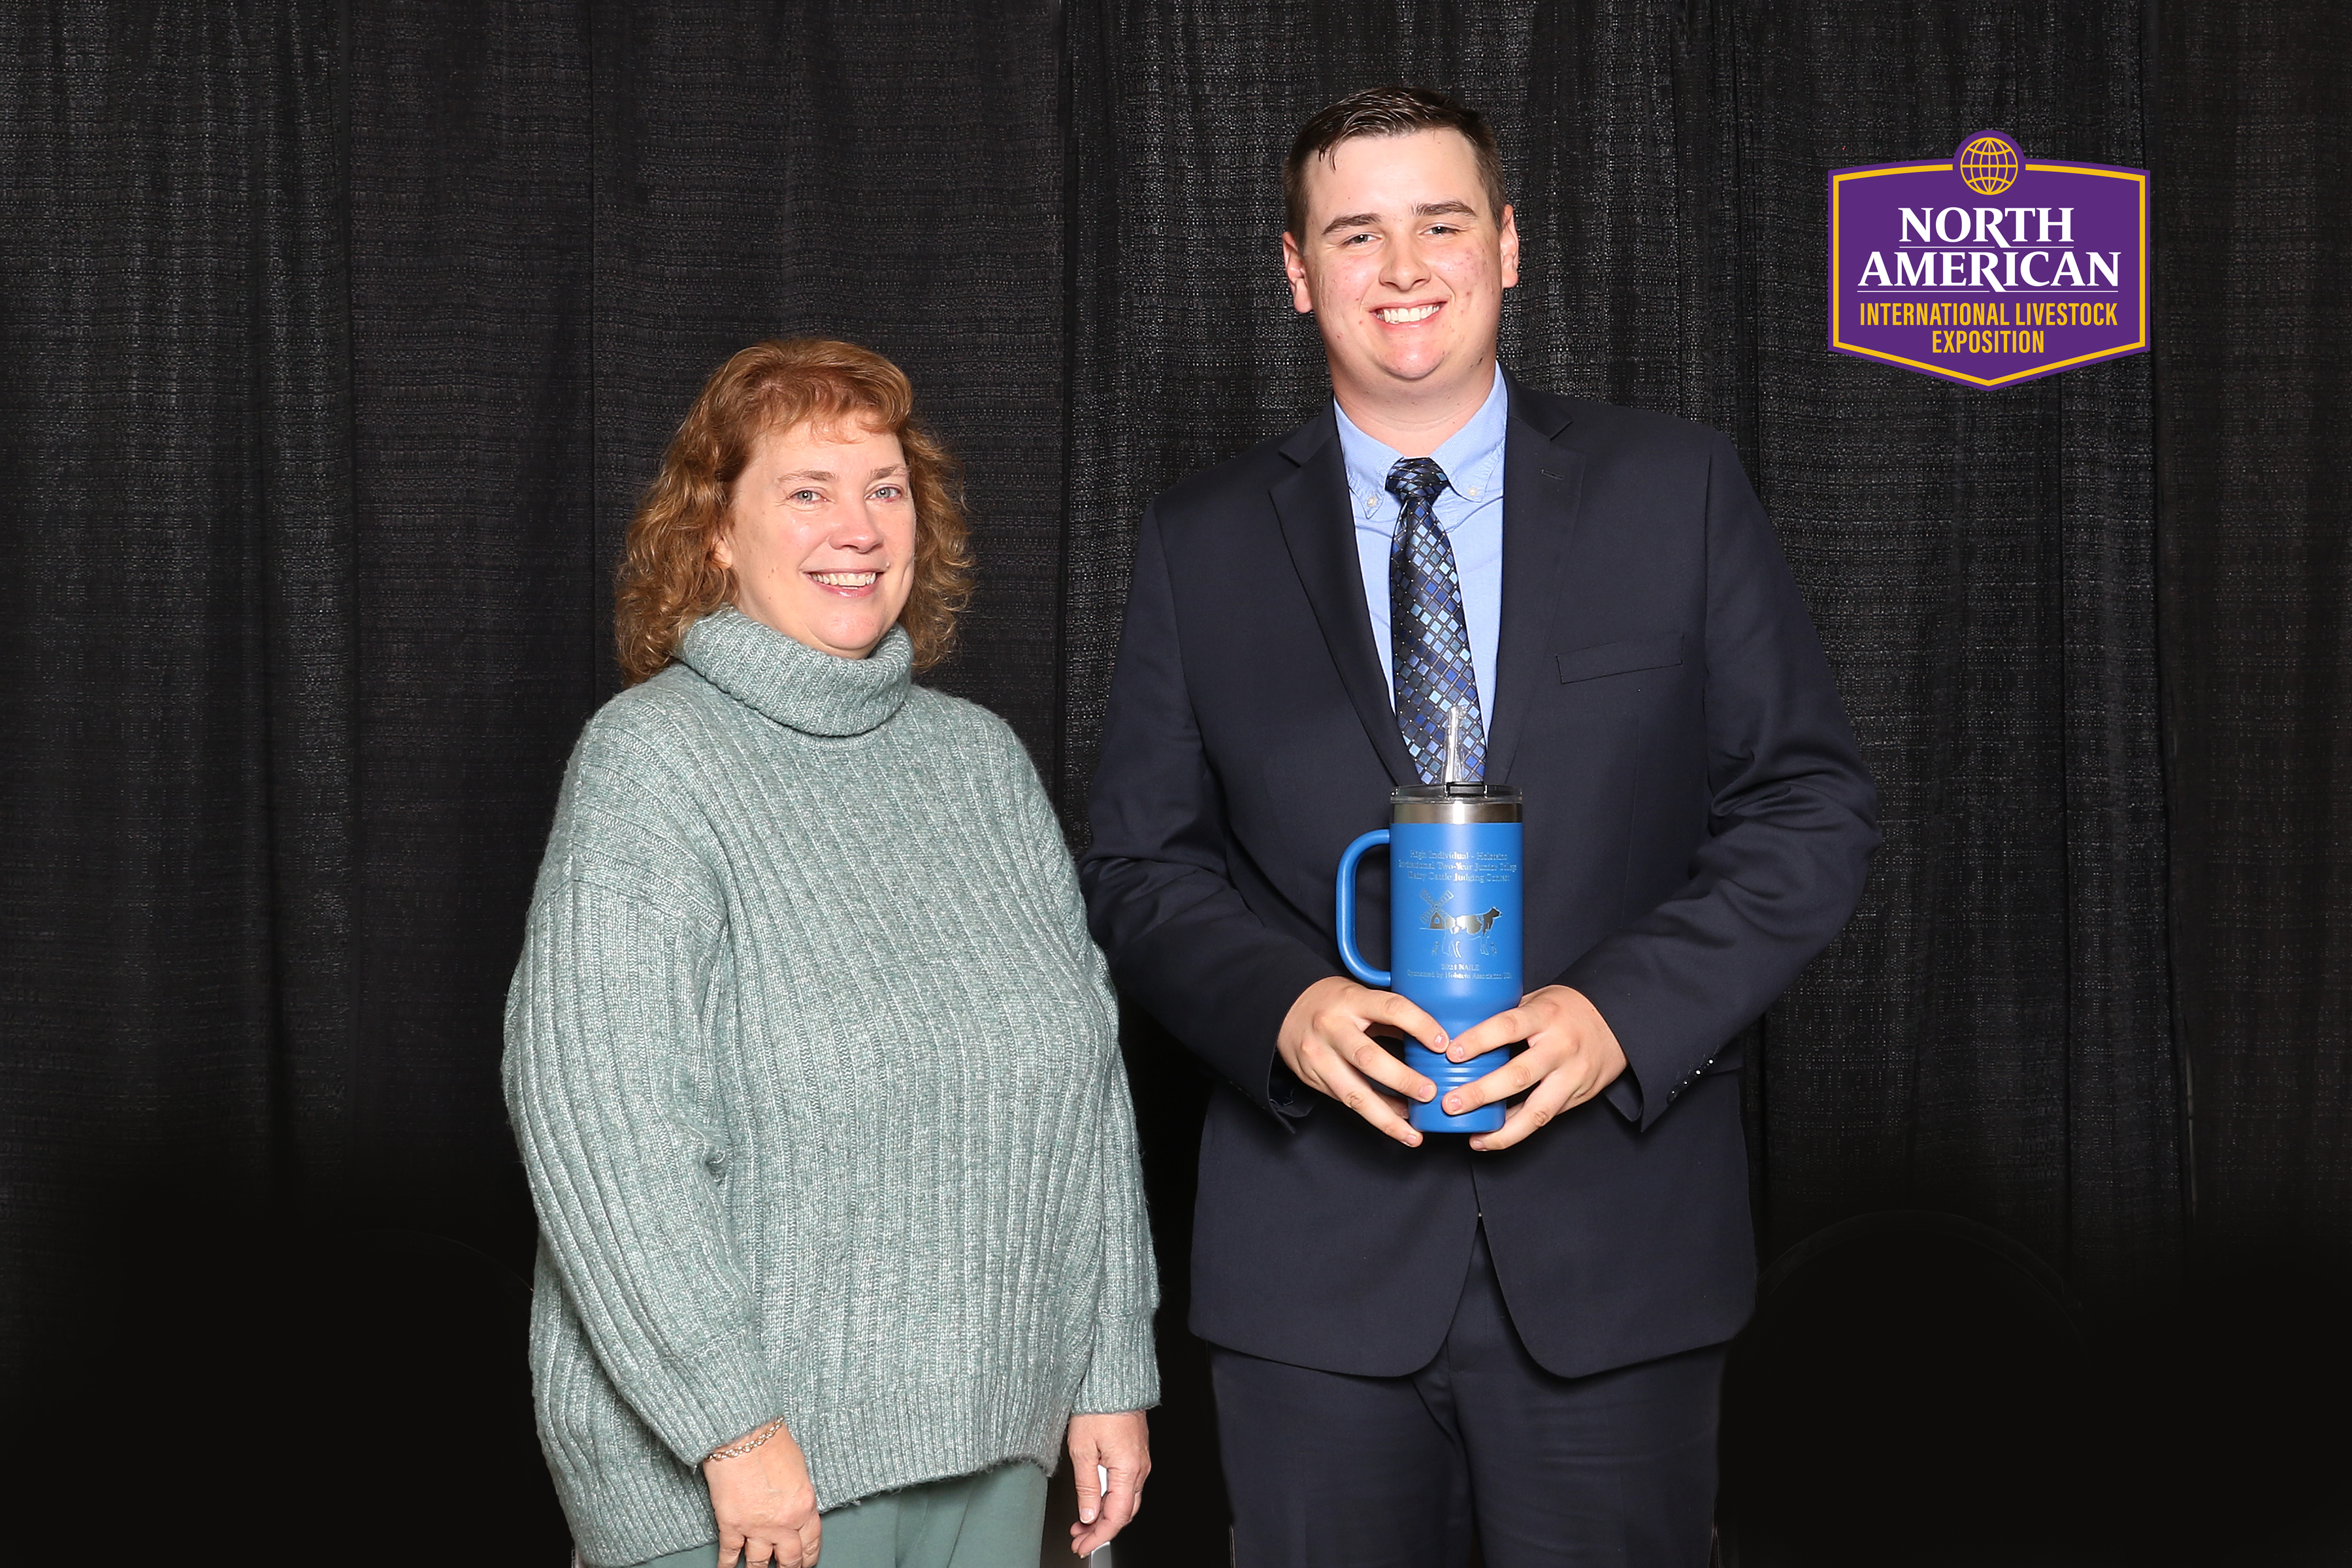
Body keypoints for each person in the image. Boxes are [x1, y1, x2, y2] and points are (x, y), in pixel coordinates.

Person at [1079, 88, 1878, 1567]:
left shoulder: (1677, 489)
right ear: (1295, 271)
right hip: (1310, 1280)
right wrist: (1285, 1010)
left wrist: (1620, 1017)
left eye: (1441, 224)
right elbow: (1138, 863)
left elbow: (1807, 809)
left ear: (1507, 247)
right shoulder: (1198, 543)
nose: (1403, 266)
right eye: (1355, 231)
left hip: (1617, 1263)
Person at [506, 338, 1157, 1568]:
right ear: (714, 535)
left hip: (994, 1450)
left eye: (885, 487)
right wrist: (730, 1427)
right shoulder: (651, 763)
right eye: (806, 490)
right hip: (753, 1485)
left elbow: (1088, 1093)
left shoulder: (979, 764)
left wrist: (1109, 1365)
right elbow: (605, 1130)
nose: (855, 527)